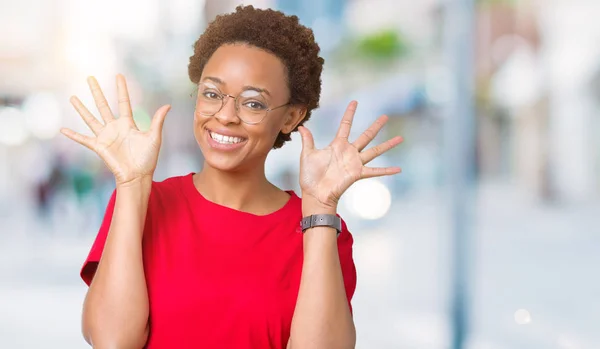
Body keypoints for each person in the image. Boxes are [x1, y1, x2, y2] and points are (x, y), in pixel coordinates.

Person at [60, 5, 402, 349]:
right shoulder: (143, 202)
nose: (224, 116)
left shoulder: (318, 227)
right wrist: (132, 185)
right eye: (211, 94)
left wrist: (320, 206)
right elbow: (112, 340)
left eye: (253, 103)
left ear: (291, 117)